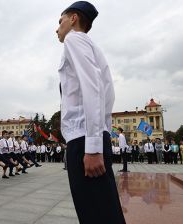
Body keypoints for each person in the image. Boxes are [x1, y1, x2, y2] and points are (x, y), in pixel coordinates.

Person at [56, 2, 125, 223]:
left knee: (94, 214)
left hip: (83, 139)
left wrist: (93, 147)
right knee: (105, 211)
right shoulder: (92, 46)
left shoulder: (73, 39)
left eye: (60, 21)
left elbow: (93, 86)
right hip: (92, 135)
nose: (57, 28)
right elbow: (107, 93)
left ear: (73, 18)